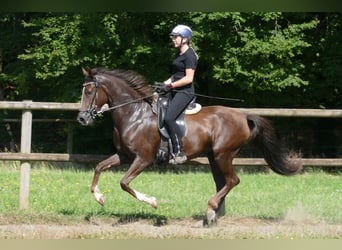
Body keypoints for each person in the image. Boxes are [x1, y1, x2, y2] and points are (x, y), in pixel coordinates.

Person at [156, 24, 198, 164]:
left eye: (176, 37)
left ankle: (179, 151)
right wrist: (163, 84)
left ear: (185, 39)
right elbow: (176, 75)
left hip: (185, 92)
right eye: (173, 37)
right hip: (174, 89)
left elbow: (188, 78)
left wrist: (170, 85)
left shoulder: (190, 55)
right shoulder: (179, 54)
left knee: (169, 118)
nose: (173, 40)